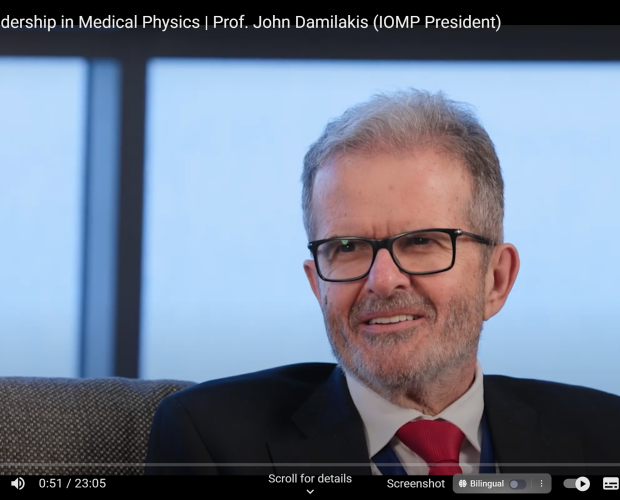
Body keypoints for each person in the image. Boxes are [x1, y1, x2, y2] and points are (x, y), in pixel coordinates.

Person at [145, 89, 620, 476]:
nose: (383, 280)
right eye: (348, 247)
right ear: (317, 286)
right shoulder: (210, 440)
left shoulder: (606, 436)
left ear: (496, 280)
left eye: (421, 241)